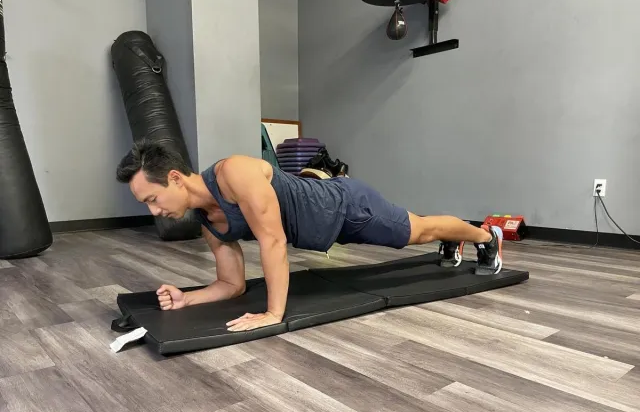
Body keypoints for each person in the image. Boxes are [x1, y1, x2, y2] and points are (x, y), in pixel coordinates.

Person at [116, 139, 504, 332]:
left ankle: (486, 237)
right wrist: (189, 299)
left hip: (346, 206)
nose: (155, 212)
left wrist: (273, 314)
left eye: (152, 199)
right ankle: (458, 240)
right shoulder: (207, 220)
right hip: (329, 229)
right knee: (419, 229)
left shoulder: (235, 174)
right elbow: (230, 284)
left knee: (419, 231)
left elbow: (273, 242)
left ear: (174, 178)